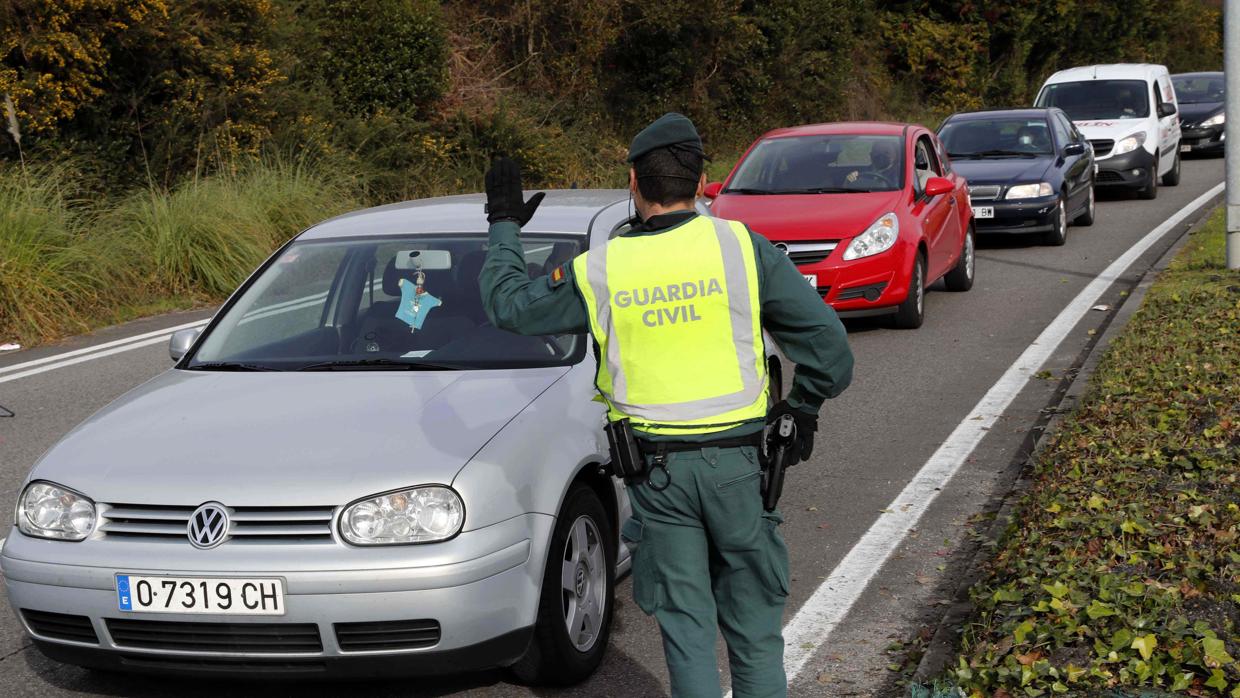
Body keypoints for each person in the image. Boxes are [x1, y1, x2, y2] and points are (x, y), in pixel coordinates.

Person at [479, 112, 854, 698]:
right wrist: (800, 410)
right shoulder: (741, 248)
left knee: (686, 635)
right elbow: (830, 350)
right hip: (741, 471)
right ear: (705, 180)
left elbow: (510, 307)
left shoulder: (603, 267)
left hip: (657, 475)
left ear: (633, 181)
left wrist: (503, 225)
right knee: (755, 637)